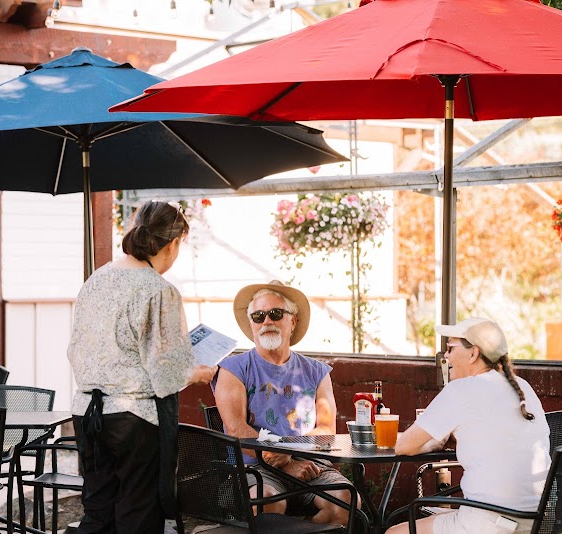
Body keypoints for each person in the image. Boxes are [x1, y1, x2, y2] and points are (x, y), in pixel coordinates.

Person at [68, 200, 218, 534]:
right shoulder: (159, 290)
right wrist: (200, 372)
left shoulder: (97, 279)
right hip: (134, 419)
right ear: (173, 243)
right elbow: (168, 372)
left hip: (86, 412)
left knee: (98, 514)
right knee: (138, 516)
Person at [387, 317, 551, 534]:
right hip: (539, 521)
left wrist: (432, 445)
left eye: (450, 348)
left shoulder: (460, 390)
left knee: (394, 532)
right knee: (441, 513)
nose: (446, 355)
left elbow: (403, 446)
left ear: (473, 353)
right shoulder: (523, 387)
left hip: (492, 521)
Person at [213, 280, 355, 526]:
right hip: (255, 468)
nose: (266, 321)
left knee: (344, 501)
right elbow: (237, 430)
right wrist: (285, 464)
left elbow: (326, 429)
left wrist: (292, 457)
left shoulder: (317, 371)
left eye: (275, 314)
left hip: (310, 464)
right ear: (252, 324)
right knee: (267, 500)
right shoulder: (233, 369)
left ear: (292, 321)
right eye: (258, 316)